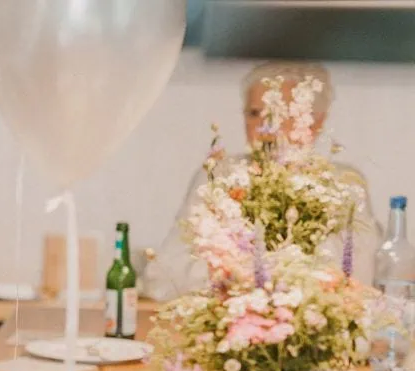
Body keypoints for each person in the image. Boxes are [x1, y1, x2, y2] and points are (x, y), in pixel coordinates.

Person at [144, 61, 379, 301]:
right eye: (255, 114)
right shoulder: (217, 176)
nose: (265, 129)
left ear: (317, 122)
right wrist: (239, 279)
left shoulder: (345, 186)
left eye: (281, 114)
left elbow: (357, 280)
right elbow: (162, 274)